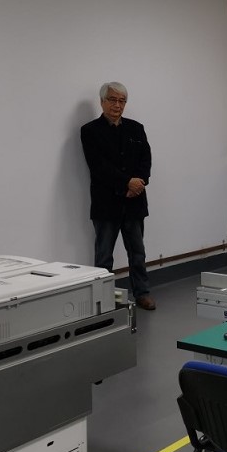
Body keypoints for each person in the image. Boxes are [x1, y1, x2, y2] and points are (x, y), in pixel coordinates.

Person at [81, 82, 156, 310]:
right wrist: (126, 182)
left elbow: (146, 160)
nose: (117, 105)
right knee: (104, 256)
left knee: (138, 253)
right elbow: (98, 166)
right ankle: (101, 299)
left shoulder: (136, 128)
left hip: (134, 202)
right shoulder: (90, 131)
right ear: (102, 102)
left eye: (122, 101)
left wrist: (139, 182)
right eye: (112, 100)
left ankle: (142, 293)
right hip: (106, 204)